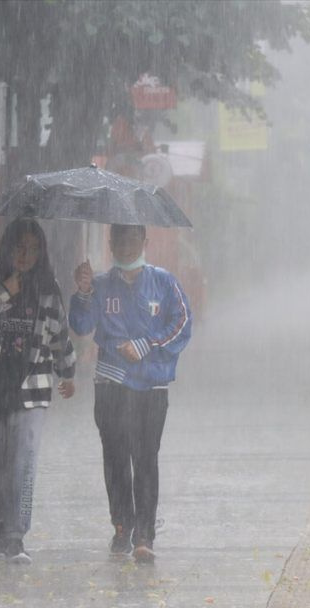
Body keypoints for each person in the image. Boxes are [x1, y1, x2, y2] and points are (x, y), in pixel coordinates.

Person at [0, 218, 76, 564]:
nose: (26, 255)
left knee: (23, 460)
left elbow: (58, 334)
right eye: (20, 247)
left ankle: (15, 536)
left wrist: (67, 371)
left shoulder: (46, 285)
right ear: (7, 246)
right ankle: (0, 520)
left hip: (30, 387)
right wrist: (3, 292)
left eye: (34, 249)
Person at [70, 224, 192, 562]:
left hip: (150, 388)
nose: (126, 246)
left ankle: (145, 534)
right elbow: (81, 326)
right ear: (109, 244)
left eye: (133, 239)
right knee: (115, 457)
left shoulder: (164, 282)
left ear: (144, 242)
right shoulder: (99, 285)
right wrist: (81, 293)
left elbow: (182, 324)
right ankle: (121, 526)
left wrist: (146, 345)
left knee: (145, 458)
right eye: (119, 240)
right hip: (110, 385)